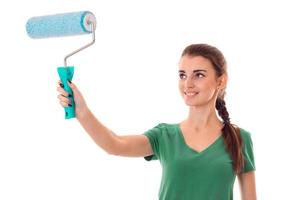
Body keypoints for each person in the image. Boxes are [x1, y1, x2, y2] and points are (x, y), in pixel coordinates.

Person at [57, 44, 257, 200]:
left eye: (199, 75)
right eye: (182, 75)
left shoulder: (240, 139)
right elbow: (114, 144)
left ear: (221, 81)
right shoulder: (165, 136)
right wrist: (82, 111)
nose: (187, 84)